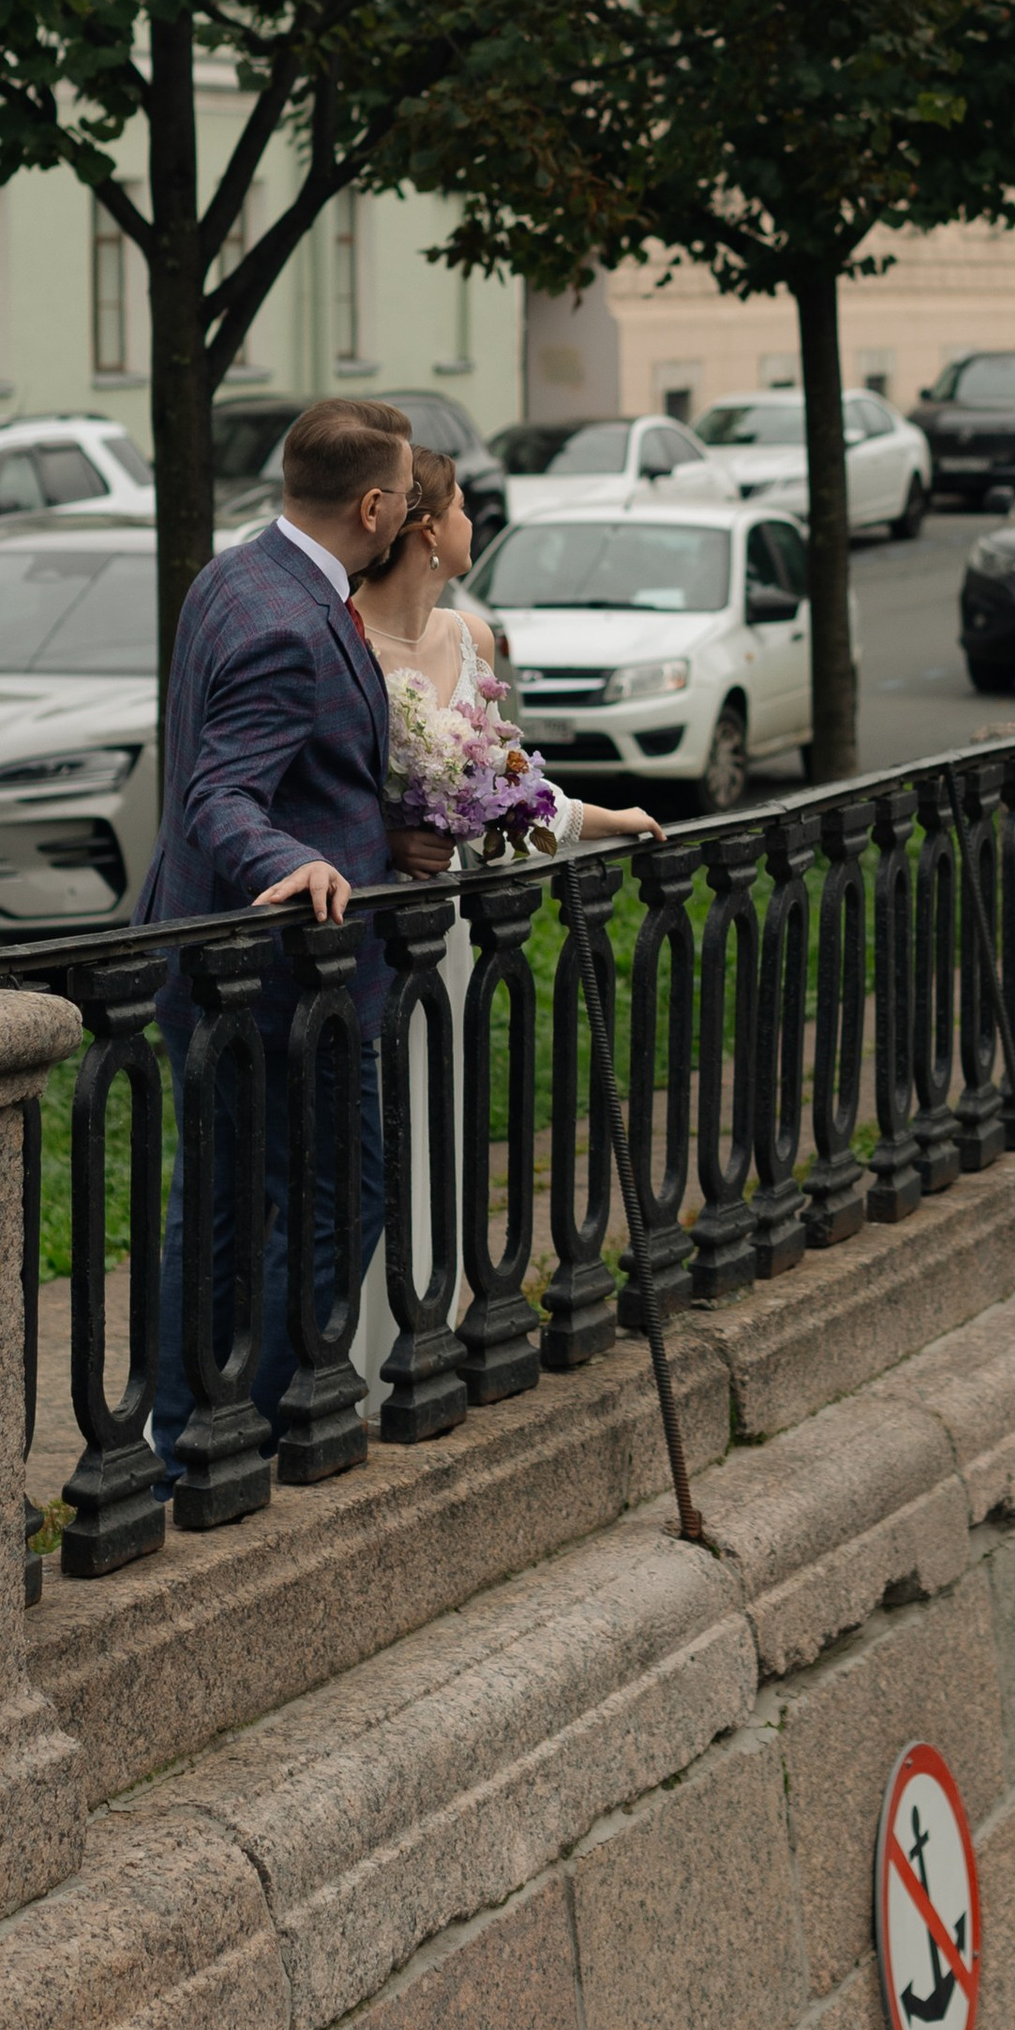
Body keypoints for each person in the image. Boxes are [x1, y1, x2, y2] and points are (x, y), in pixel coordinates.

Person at [143, 395, 446, 1487]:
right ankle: (248, 1426)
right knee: (342, 1198)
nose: (409, 511)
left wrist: (377, 831)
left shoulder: (235, 574)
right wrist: (292, 863)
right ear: (372, 508)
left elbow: (285, 766)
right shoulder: (289, 622)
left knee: (218, 1207)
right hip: (283, 982)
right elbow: (223, 793)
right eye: (404, 496)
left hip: (205, 959)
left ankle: (181, 1428)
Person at [352, 440, 659, 850]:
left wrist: (616, 820)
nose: (471, 522)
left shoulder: (471, 637)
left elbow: (505, 784)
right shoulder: (345, 638)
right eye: (461, 508)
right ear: (431, 530)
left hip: (454, 880)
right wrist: (387, 844)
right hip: (363, 879)